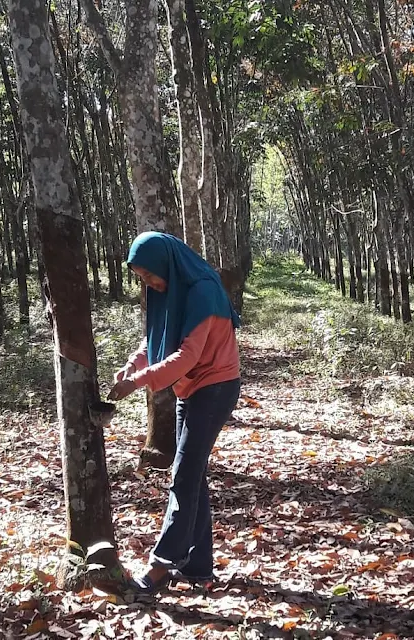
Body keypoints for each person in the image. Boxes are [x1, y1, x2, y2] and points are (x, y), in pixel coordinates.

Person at [108, 231, 241, 594]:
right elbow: (154, 338)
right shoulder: (169, 289)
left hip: (214, 389)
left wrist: (137, 382)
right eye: (141, 278)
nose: (148, 283)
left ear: (166, 263)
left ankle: (161, 566)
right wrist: (130, 365)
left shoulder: (202, 291)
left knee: (183, 473)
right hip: (191, 389)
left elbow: (187, 356)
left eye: (150, 275)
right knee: (193, 476)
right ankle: (198, 567)